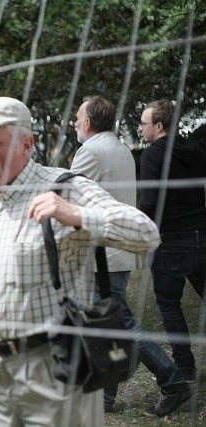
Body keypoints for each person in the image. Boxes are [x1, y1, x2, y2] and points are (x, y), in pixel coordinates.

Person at [0, 97, 160, 426]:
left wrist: (77, 216)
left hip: (57, 367)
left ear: (27, 144)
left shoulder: (64, 189)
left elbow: (147, 235)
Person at [71, 95, 191, 416]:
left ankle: (172, 380)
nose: (74, 123)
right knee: (109, 324)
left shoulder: (90, 151)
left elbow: (65, 195)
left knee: (119, 323)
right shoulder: (120, 148)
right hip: (116, 251)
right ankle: (106, 398)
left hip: (102, 254)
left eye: (77, 117)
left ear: (88, 122)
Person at [139, 100, 206, 388]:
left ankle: (185, 367)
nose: (141, 128)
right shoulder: (194, 150)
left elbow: (151, 200)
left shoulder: (153, 154)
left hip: (171, 239)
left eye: (144, 123)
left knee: (168, 304)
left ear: (159, 126)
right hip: (200, 234)